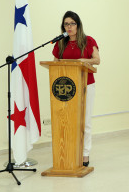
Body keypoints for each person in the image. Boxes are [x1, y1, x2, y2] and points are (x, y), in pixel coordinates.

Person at [52, 11, 100, 167]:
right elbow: (55, 64)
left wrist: (82, 60)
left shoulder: (88, 40)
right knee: (66, 120)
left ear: (78, 25)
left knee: (84, 121)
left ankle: (85, 154)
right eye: (66, 24)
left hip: (86, 85)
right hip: (65, 88)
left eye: (72, 23)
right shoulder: (61, 43)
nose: (69, 26)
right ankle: (67, 152)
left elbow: (97, 60)